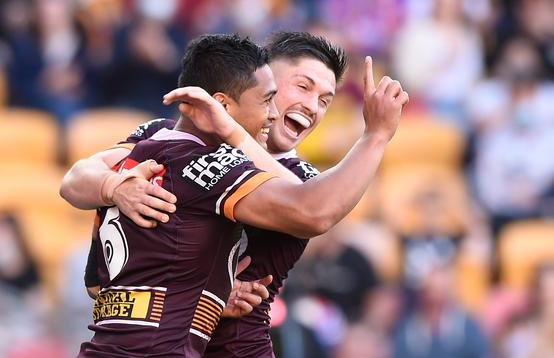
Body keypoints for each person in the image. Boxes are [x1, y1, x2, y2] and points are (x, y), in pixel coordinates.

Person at [63, 33, 407, 356]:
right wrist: (116, 188)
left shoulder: (303, 180)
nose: (312, 106)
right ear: (261, 80)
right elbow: (76, 178)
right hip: (160, 340)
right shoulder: (172, 139)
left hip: (234, 347)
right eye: (302, 87)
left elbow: (313, 208)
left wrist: (375, 134)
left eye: (325, 101)